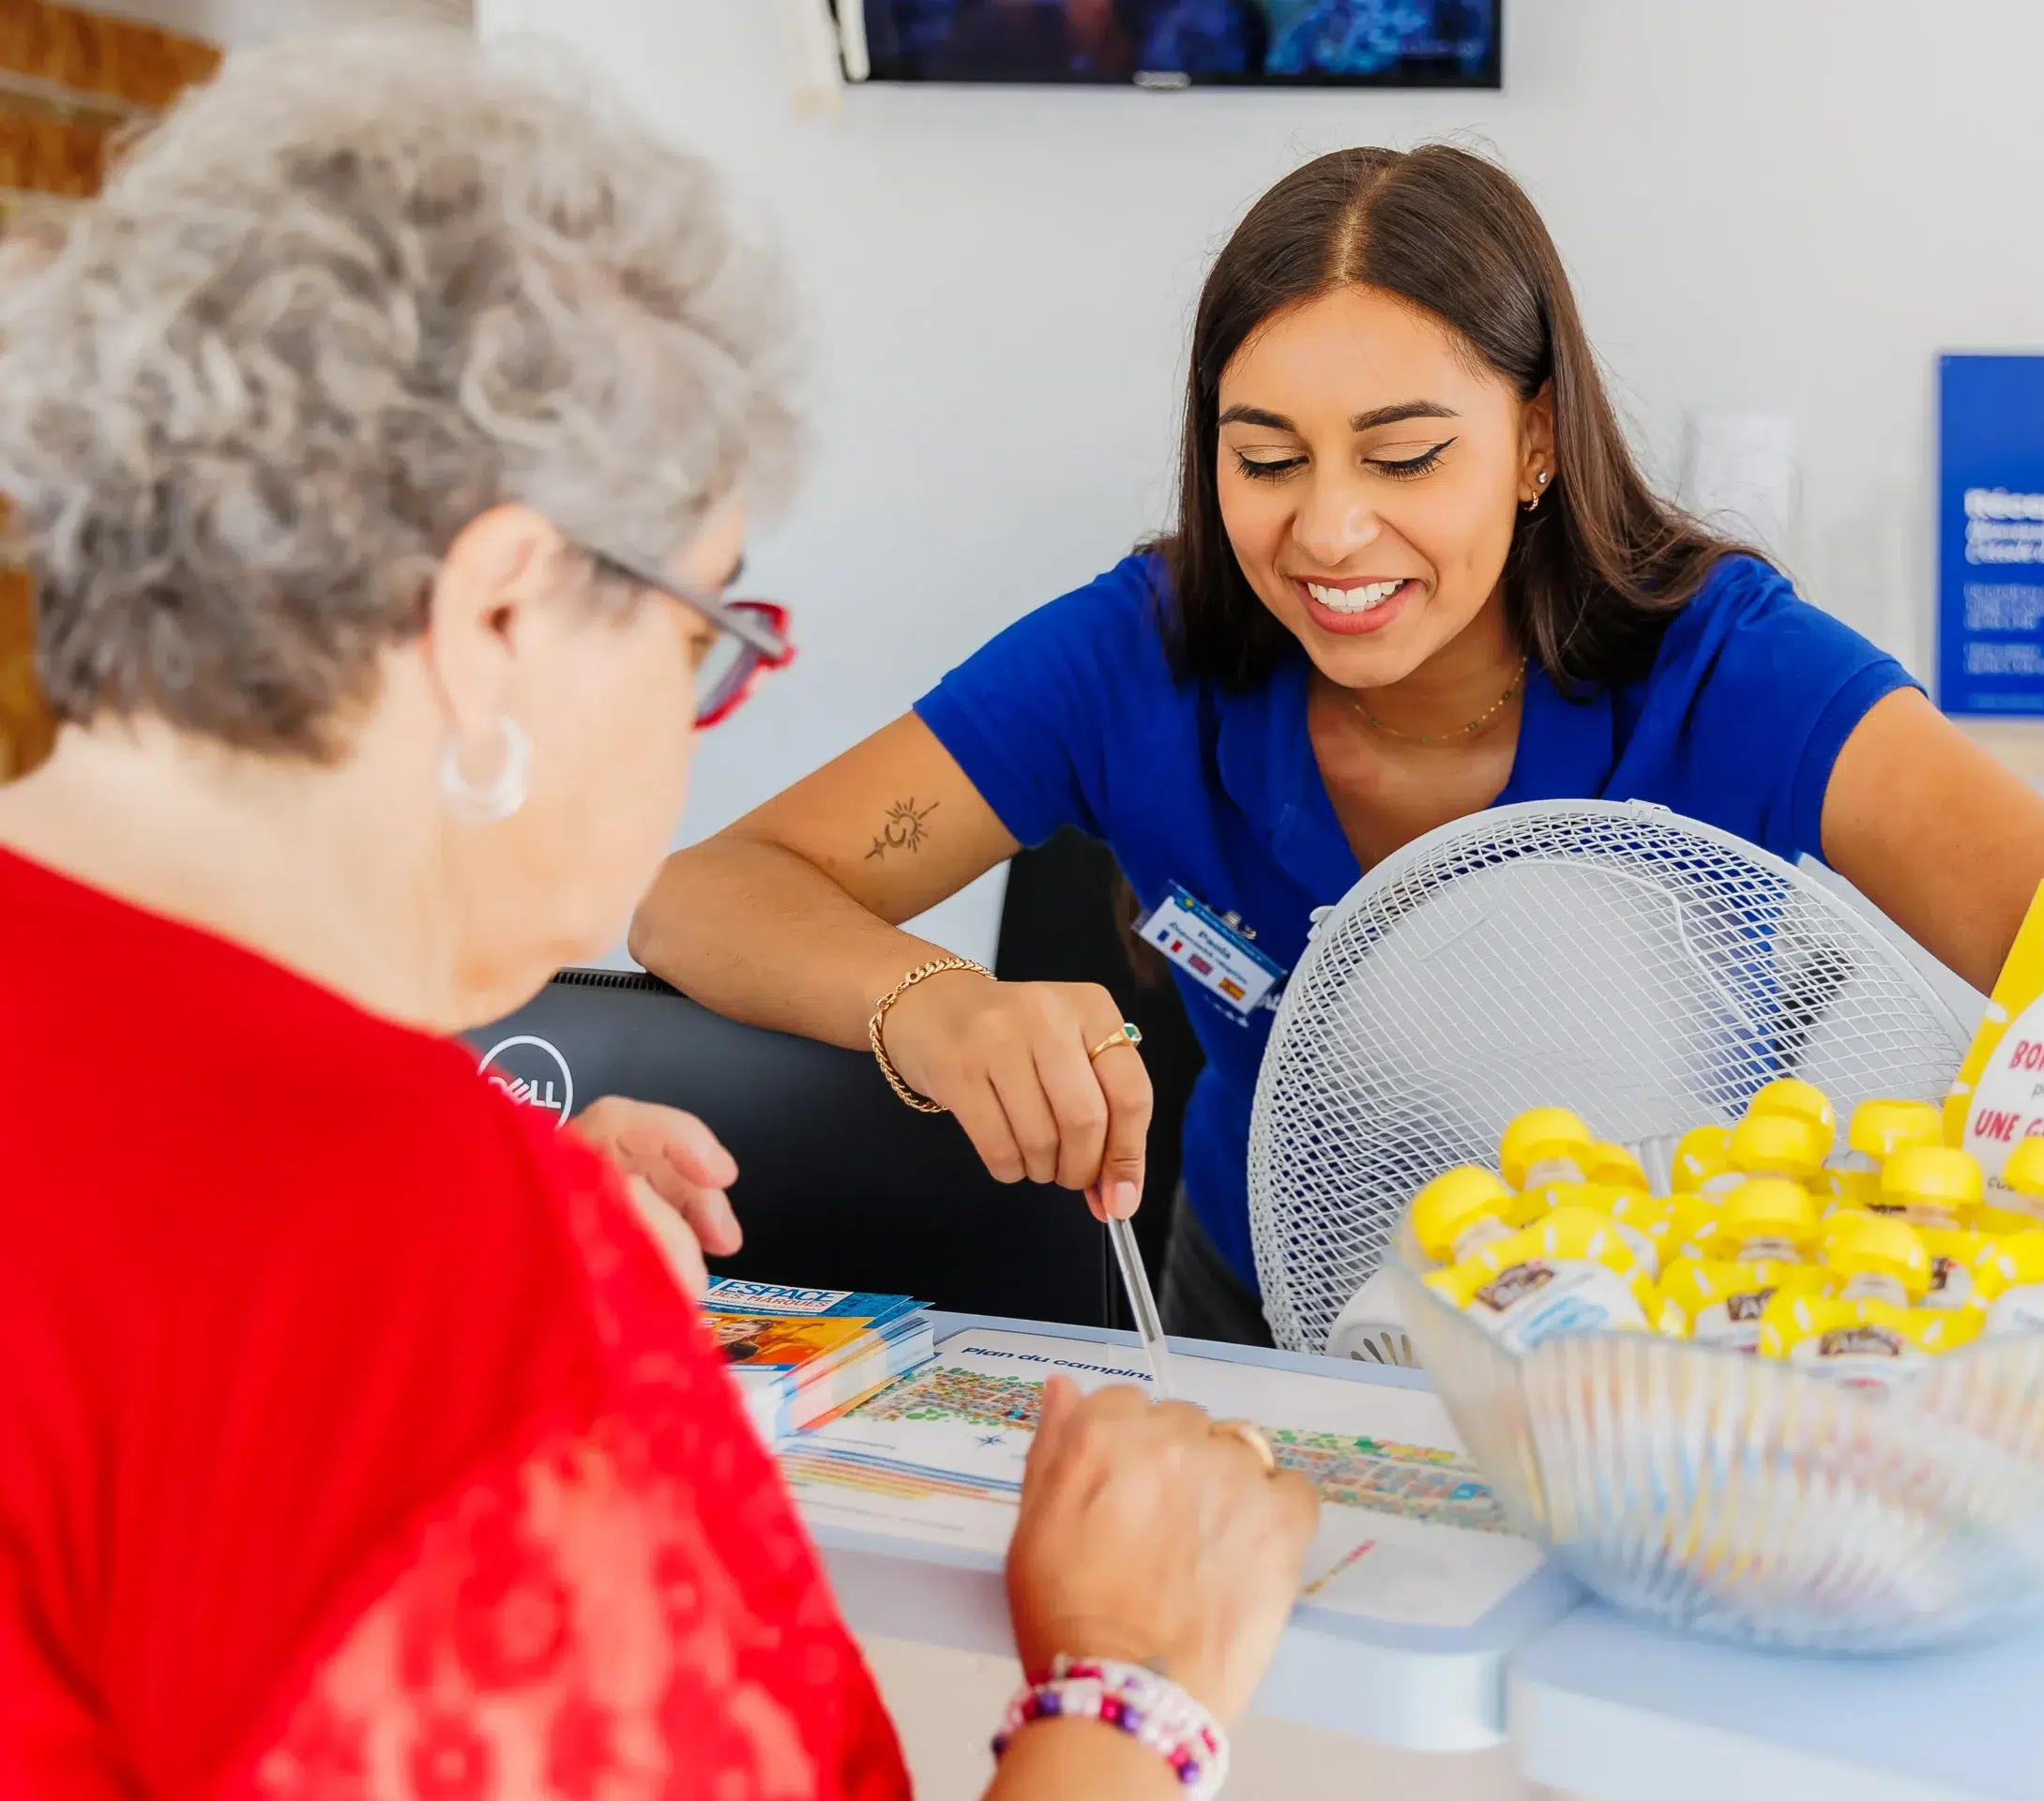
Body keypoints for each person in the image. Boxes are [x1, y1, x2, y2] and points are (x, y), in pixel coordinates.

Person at [0, 33, 1313, 1800]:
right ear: (498, 620)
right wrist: (1131, 1688)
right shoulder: (416, 1261)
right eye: (704, 637)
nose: (712, 713)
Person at [631, 144, 2044, 1348]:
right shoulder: (1134, 655)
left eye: (1408, 456)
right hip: (1260, 1321)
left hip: (1664, 1360)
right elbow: (705, 892)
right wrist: (934, 1001)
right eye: (1264, 457)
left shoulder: (1725, 664)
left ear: (1538, 442)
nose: (1329, 531)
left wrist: (1965, 1275)